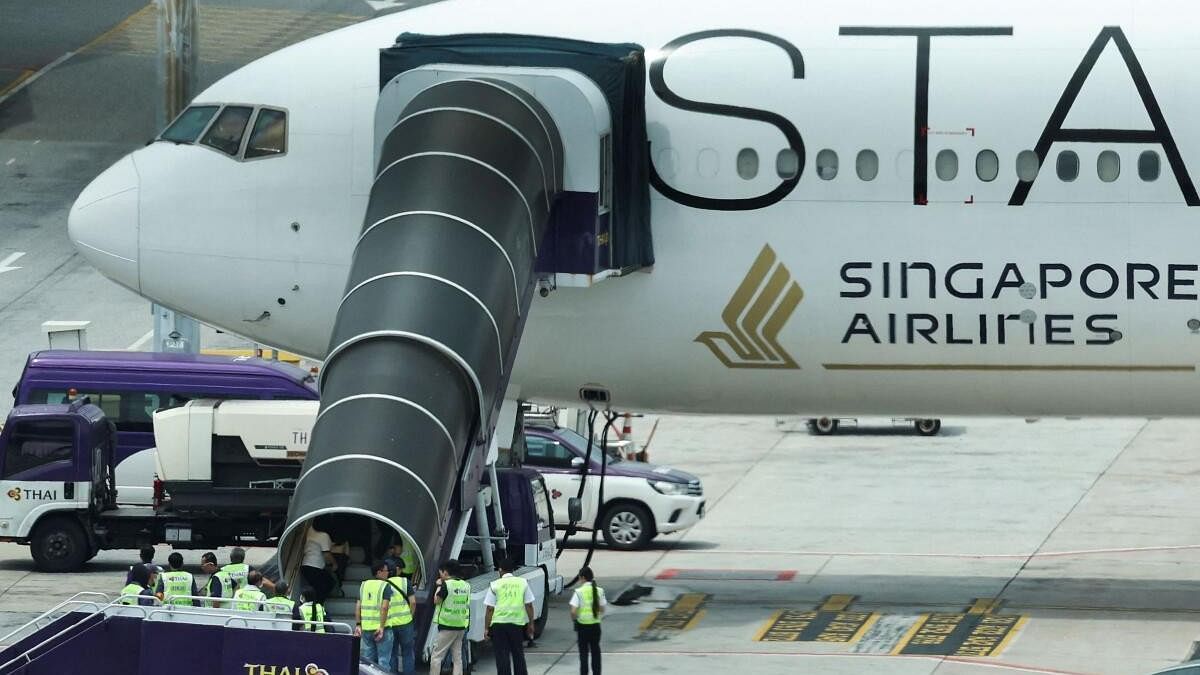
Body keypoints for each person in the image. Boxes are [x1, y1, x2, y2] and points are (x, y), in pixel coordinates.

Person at [484, 556, 535, 675]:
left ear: (500, 570)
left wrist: (486, 628)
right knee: (518, 654)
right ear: (512, 570)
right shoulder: (522, 583)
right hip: (516, 624)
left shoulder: (495, 584)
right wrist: (531, 624)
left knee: (502, 656)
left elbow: (490, 609)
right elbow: (529, 605)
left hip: (499, 625)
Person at [430, 559, 470, 675]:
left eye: (441, 573)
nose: (440, 575)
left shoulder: (446, 585)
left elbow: (437, 600)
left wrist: (438, 585)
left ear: (446, 573)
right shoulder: (466, 585)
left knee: (436, 656)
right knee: (457, 657)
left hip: (447, 625)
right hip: (461, 625)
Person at [356, 562, 395, 671]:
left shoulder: (363, 585)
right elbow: (384, 607)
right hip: (382, 630)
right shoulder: (385, 586)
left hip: (367, 629)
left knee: (368, 661)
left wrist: (358, 624)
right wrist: (382, 627)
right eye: (386, 571)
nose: (388, 573)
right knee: (383, 661)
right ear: (379, 572)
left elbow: (358, 605)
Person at [570, 567, 606, 675]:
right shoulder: (599, 591)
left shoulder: (579, 592)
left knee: (583, 654)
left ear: (583, 578)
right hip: (595, 626)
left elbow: (573, 611)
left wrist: (575, 620)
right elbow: (602, 608)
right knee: (596, 652)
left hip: (582, 627)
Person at [386, 561, 417, 674]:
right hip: (406, 623)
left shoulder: (383, 584)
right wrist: (410, 616)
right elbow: (413, 602)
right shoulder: (405, 582)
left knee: (392, 653)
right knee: (407, 653)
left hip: (390, 624)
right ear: (397, 570)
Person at [301, 523, 337, 603]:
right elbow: (326, 554)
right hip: (315, 566)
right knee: (328, 584)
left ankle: (314, 606)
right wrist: (334, 564)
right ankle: (318, 607)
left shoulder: (309, 530)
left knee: (318, 588)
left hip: (305, 565)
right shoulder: (324, 535)